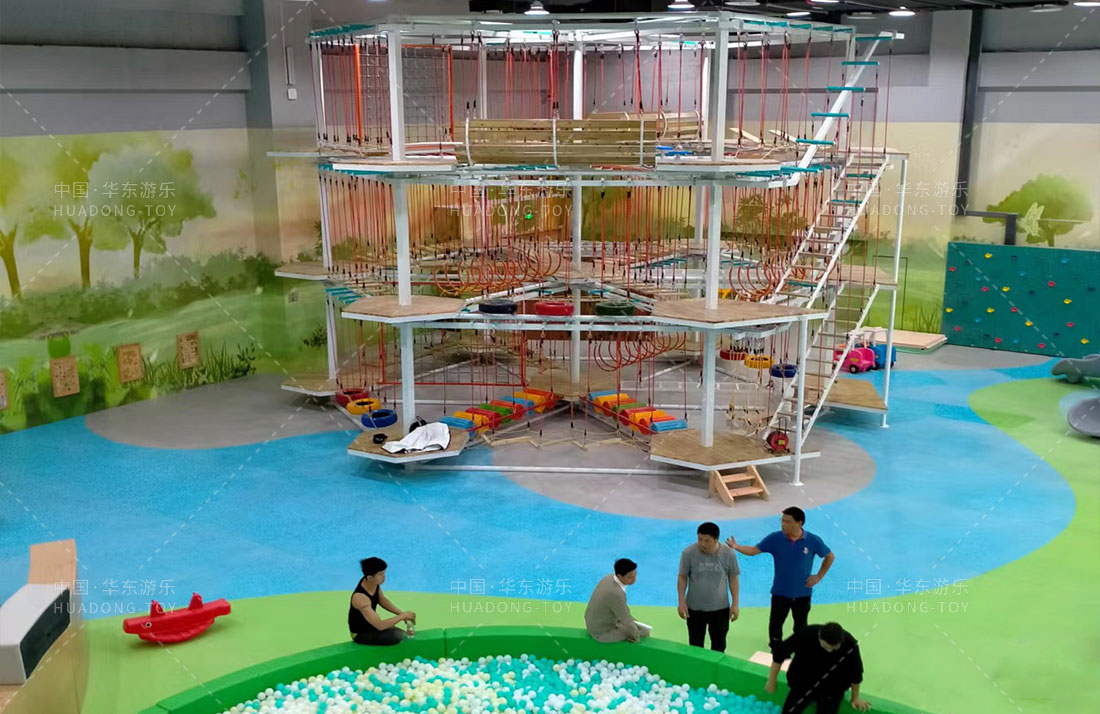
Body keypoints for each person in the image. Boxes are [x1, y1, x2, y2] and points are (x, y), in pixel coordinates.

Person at [727, 506, 833, 651]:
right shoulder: (775, 538)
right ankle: (776, 647)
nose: (783, 524)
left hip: (803, 594)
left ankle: (799, 648)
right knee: (776, 624)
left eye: (787, 521)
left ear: (799, 523)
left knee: (801, 625)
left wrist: (819, 576)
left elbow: (829, 556)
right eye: (782, 521)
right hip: (780, 593)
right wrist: (736, 546)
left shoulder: (813, 540)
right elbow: (753, 550)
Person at [767, 622, 870, 714]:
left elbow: (856, 673)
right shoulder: (806, 634)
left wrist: (855, 698)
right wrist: (772, 681)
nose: (829, 651)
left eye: (834, 648)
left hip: (832, 689)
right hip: (802, 683)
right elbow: (779, 655)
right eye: (826, 647)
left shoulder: (850, 644)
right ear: (819, 636)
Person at [677, 521, 740, 653]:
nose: (702, 544)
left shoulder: (728, 554)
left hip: (720, 609)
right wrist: (681, 602)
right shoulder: (688, 553)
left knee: (719, 646)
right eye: (700, 539)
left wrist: (735, 604)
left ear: (716, 539)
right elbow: (682, 577)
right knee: (695, 646)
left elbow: (733, 579)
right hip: (694, 609)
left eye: (707, 541)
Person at [348, 557, 415, 645]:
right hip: (361, 633)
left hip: (372, 626)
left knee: (402, 634)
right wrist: (403, 616)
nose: (384, 577)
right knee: (396, 637)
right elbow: (380, 625)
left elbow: (382, 600)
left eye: (384, 573)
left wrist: (400, 613)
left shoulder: (373, 583)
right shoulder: (360, 598)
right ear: (370, 577)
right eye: (380, 574)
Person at [584, 558, 645, 643]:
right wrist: (636, 637)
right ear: (619, 576)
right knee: (643, 631)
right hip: (601, 633)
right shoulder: (616, 593)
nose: (635, 579)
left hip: (593, 623)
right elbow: (626, 619)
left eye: (635, 575)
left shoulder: (608, 577)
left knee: (634, 624)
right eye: (630, 577)